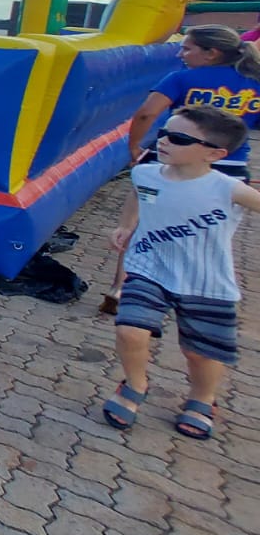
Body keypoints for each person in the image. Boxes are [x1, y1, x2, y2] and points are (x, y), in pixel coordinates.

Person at [101, 105, 260, 439]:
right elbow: (138, 194)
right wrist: (125, 225)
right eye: (163, 132)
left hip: (206, 281)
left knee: (200, 353)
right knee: (130, 330)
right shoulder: (145, 173)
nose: (164, 141)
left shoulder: (228, 189)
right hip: (148, 267)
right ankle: (135, 384)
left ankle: (202, 399)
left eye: (178, 138)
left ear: (214, 154)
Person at [102, 24, 260, 312]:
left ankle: (120, 287)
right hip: (229, 166)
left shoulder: (184, 78)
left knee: (139, 220)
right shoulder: (253, 82)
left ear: (211, 53)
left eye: (187, 48)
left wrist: (135, 148)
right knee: (209, 232)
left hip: (177, 158)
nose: (181, 53)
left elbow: (146, 113)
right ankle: (190, 290)